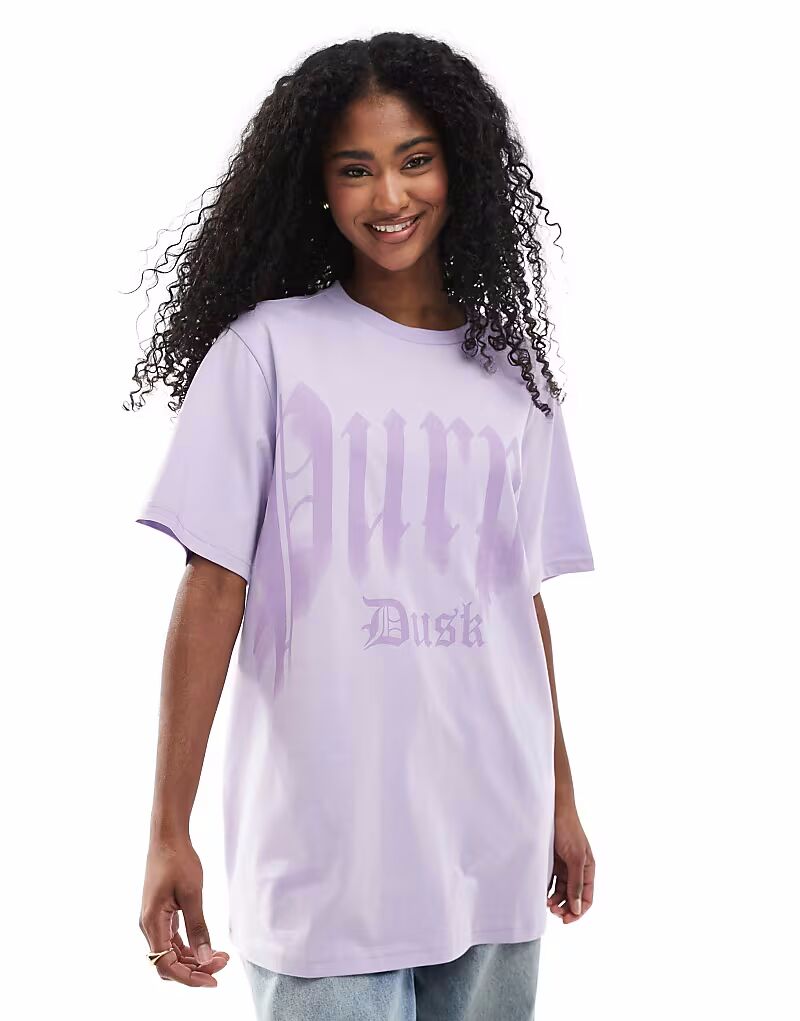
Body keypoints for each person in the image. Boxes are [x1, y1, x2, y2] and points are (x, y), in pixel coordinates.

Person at [128, 30, 596, 1020]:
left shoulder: (514, 377)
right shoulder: (265, 352)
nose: (389, 196)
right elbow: (212, 588)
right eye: (355, 169)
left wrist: (560, 796)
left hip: (492, 835)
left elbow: (520, 602)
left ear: (459, 167)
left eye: (415, 159)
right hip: (324, 856)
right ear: (318, 188)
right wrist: (168, 827)